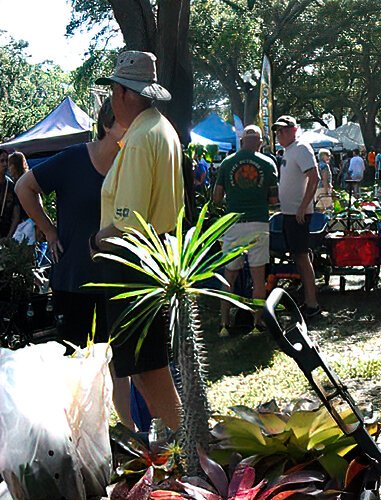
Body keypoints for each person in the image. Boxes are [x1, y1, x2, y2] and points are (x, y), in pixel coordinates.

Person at [90, 51, 186, 433]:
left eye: (114, 90)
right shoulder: (158, 129)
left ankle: (191, 448)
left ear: (127, 94)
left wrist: (96, 239)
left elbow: (126, 224)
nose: (112, 98)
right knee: (147, 369)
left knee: (149, 370)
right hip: (154, 257)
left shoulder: (142, 138)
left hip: (134, 263)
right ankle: (188, 446)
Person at [15, 101, 126, 425]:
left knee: (119, 363)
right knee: (74, 362)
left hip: (117, 279)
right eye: (125, 124)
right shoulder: (74, 158)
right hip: (73, 278)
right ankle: (75, 430)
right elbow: (25, 187)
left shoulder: (130, 164)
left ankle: (127, 431)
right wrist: (48, 229)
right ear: (108, 125)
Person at [211, 125, 278, 333]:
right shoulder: (268, 163)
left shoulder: (227, 163)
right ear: (259, 142)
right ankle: (258, 323)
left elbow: (216, 198)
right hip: (258, 222)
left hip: (233, 223)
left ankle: (224, 324)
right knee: (258, 277)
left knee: (229, 275)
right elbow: (274, 199)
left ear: (241, 141)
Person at [272, 116, 323, 317]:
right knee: (299, 255)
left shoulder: (301, 147)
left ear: (294, 130)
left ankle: (312, 303)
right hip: (289, 213)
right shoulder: (288, 151)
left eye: (283, 130)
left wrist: (303, 206)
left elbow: (315, 176)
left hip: (298, 214)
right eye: (277, 131)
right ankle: (308, 299)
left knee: (301, 256)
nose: (279, 134)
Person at [3, 152, 27, 238]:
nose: (7, 167)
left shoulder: (21, 183)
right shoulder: (15, 183)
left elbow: (17, 214)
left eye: (9, 164)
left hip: (26, 226)